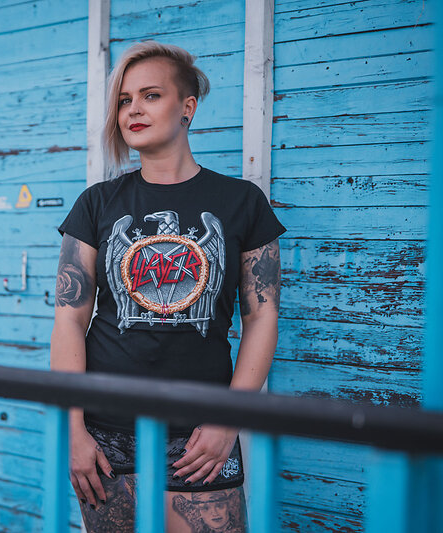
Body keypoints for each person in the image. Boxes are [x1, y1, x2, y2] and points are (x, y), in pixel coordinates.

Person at [50, 40, 285, 532]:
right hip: (106, 430)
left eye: (150, 95)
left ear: (187, 107)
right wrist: (73, 429)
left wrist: (228, 418)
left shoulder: (241, 202)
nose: (133, 109)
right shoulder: (96, 204)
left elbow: (262, 316)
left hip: (201, 430)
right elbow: (69, 320)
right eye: (124, 100)